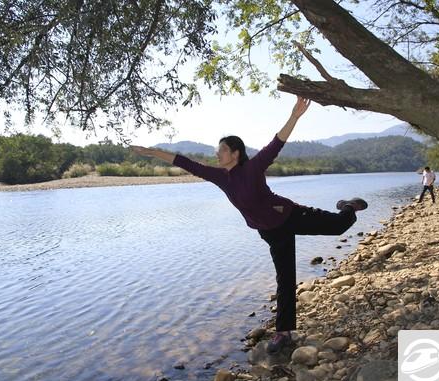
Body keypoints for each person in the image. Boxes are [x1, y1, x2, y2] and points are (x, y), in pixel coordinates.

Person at [130, 97, 367, 353]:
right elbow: (187, 163)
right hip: (271, 232)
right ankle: (283, 332)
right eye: (217, 151)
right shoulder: (221, 177)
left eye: (221, 150)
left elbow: (276, 144)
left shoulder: (253, 168)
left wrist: (294, 116)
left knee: (338, 227)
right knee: (285, 279)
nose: (216, 154)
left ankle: (348, 206)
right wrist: (154, 152)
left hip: (289, 215)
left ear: (235, 153)